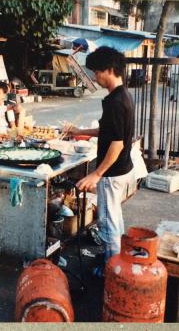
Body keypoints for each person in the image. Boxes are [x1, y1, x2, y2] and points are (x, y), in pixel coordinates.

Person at [67, 46, 135, 277]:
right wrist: (79, 131)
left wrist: (96, 174)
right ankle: (116, 262)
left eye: (96, 72)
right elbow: (108, 131)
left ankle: (112, 272)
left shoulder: (115, 102)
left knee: (108, 223)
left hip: (112, 172)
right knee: (114, 218)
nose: (95, 77)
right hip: (121, 169)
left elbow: (116, 143)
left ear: (109, 69)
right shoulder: (122, 95)